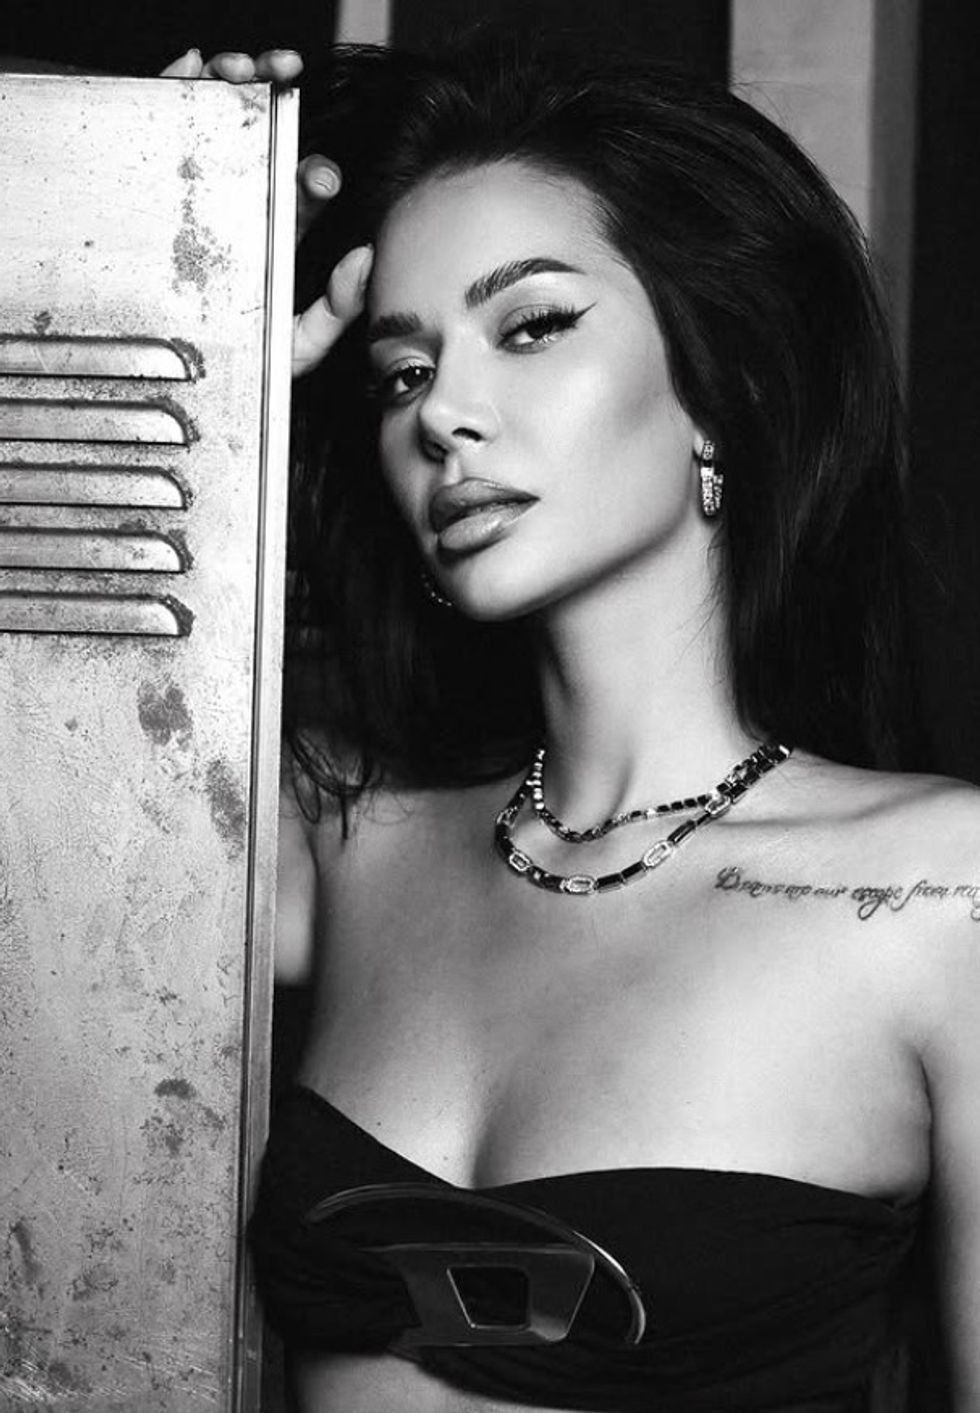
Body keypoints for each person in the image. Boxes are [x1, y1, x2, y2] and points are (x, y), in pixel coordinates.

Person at [168, 35, 980, 1413]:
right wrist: (147, 257)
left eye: (532, 326)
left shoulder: (935, 895)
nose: (445, 415)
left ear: (722, 389)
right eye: (401, 371)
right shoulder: (335, 841)